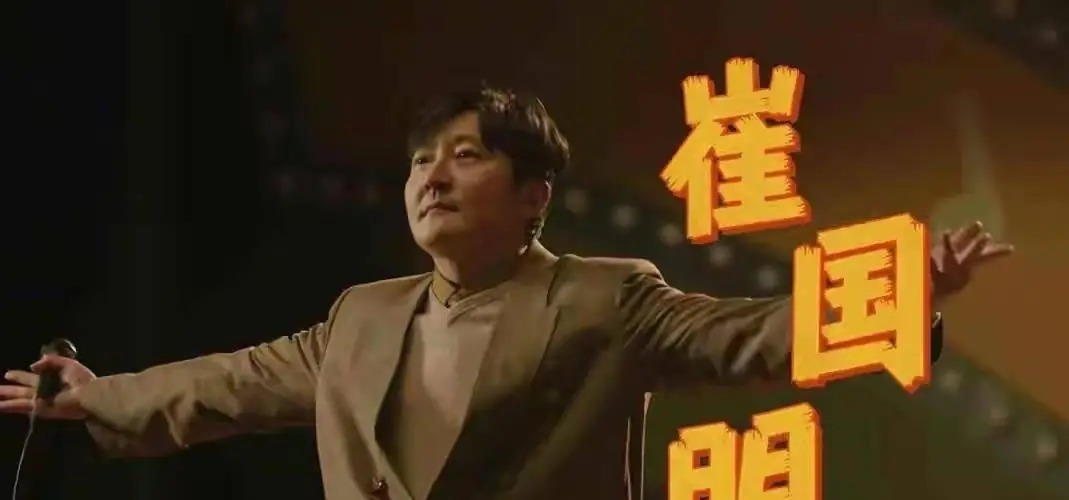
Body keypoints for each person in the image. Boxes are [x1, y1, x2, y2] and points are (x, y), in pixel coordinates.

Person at [0, 86, 1014, 500]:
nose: (431, 177)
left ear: (534, 196)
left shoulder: (607, 299)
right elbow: (230, 381)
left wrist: (899, 295)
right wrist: (97, 394)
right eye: (420, 161)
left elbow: (751, 336)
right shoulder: (361, 316)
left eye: (466, 156)